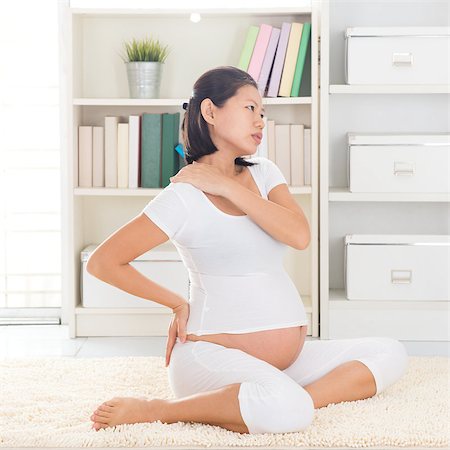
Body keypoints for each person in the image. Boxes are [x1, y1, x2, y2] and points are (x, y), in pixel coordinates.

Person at [87, 66, 408, 434]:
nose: (260, 121)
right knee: (290, 414)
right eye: (250, 108)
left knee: (390, 351)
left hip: (285, 362)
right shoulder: (183, 196)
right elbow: (103, 262)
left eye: (263, 113)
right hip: (209, 359)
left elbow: (299, 235)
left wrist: (226, 187)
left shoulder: (264, 173)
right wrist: (177, 303)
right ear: (210, 112)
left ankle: (284, 396)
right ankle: (162, 409)